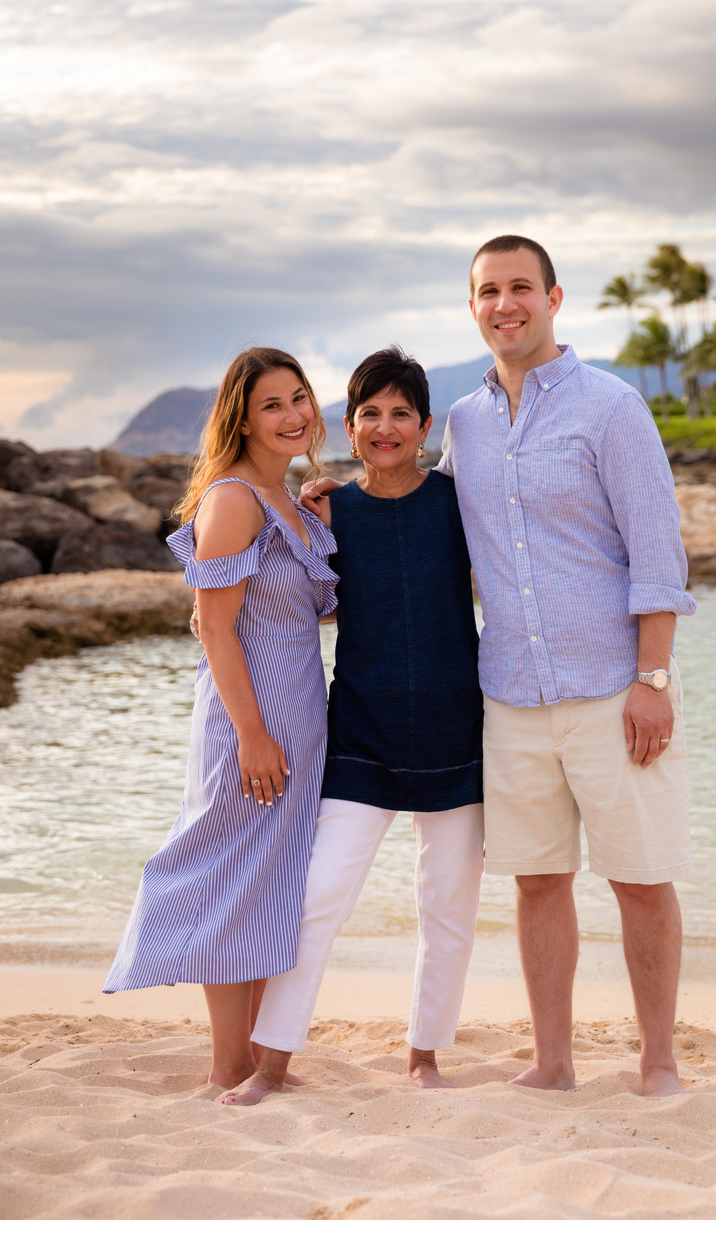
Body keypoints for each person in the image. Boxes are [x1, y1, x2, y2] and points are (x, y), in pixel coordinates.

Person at [439, 235, 696, 1097]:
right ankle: (552, 1062)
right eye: (487, 291)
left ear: (554, 298)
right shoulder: (463, 421)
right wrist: (339, 495)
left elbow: (657, 553)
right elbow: (434, 527)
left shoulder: (612, 408)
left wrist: (652, 679)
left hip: (613, 689)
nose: (503, 304)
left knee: (640, 876)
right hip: (509, 691)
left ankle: (656, 1059)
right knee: (539, 880)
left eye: (520, 287)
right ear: (471, 306)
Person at [221, 346, 484, 1105]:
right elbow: (272, 603)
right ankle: (269, 1062)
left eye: (402, 413)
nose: (386, 426)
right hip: (360, 737)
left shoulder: (455, 502)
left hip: (455, 737)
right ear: (349, 424)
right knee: (315, 900)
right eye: (371, 412)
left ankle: (425, 1055)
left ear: (427, 425)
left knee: (447, 911)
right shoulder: (326, 510)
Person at [103, 348, 338, 1091]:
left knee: (269, 890)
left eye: (298, 398)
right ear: (240, 416)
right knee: (226, 877)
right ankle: (228, 1064)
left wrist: (327, 519)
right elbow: (214, 626)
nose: (293, 415)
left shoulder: (292, 503)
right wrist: (252, 733)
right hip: (249, 729)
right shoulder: (233, 498)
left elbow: (318, 613)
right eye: (273, 404)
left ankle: (252, 1060)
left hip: (298, 724)